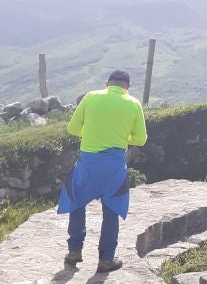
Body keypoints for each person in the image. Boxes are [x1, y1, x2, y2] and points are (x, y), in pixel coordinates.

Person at [57, 70, 147, 273]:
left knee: (76, 203)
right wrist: (121, 138)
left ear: (107, 83)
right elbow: (140, 139)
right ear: (127, 87)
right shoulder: (133, 103)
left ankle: (74, 252)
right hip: (114, 166)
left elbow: (72, 128)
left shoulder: (91, 96)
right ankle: (106, 260)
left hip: (87, 163)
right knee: (111, 210)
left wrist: (89, 133)